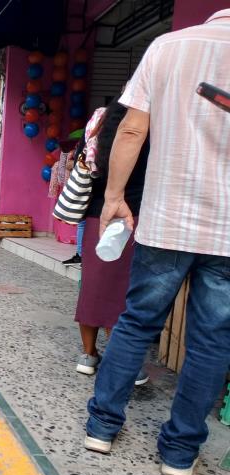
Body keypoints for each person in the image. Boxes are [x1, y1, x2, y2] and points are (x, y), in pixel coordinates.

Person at [85, 10, 230, 475]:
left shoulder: (168, 47)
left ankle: (102, 427)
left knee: (137, 324)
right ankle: (180, 455)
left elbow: (130, 129)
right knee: (212, 342)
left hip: (167, 220)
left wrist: (113, 198)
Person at [73, 97, 148, 380]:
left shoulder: (97, 126)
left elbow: (80, 166)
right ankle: (124, 361)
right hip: (135, 217)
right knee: (123, 291)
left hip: (97, 216)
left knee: (92, 287)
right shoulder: (149, 130)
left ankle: (88, 355)